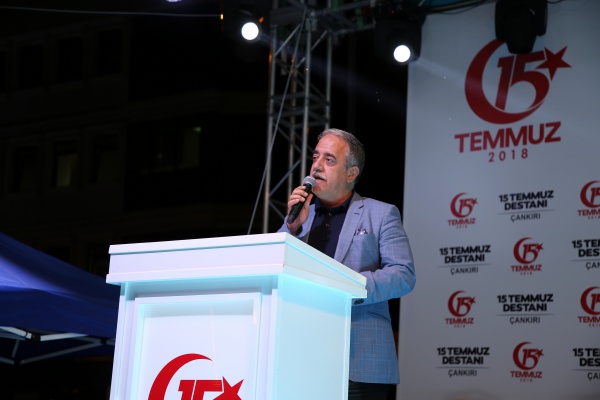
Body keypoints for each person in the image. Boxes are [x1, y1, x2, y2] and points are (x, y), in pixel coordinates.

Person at [277, 128, 416, 400]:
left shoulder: (381, 213)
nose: (316, 166)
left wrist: (344, 286)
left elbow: (403, 275)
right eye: (315, 157)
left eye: (329, 160)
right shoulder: (300, 217)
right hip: (300, 357)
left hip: (359, 359)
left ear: (351, 173)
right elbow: (275, 267)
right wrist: (292, 228)